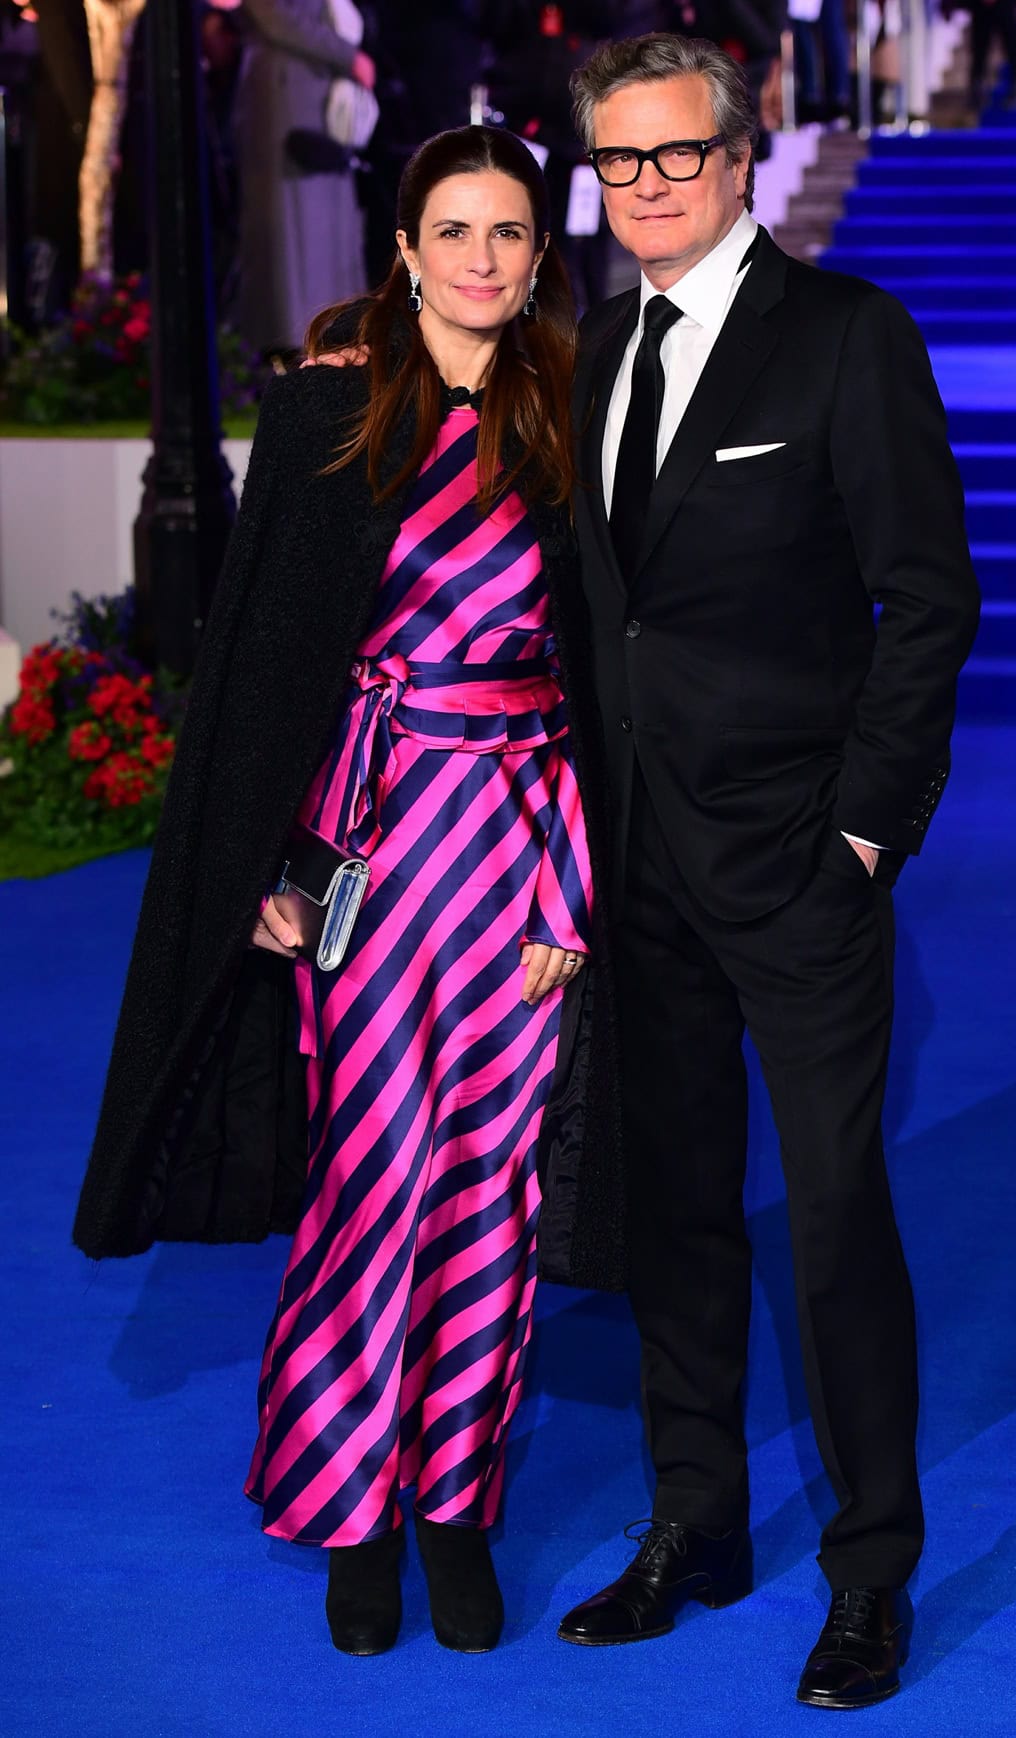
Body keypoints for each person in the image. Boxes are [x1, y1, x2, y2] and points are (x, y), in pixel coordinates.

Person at [72, 123, 627, 1659]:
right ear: (402, 245)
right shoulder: (324, 410)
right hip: (367, 862)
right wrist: (269, 869)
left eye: (509, 233)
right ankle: (349, 1505)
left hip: (518, 858)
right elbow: (264, 671)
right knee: (372, 1184)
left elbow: (600, 686)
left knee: (492, 1197)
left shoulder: (571, 410)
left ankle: (455, 1500)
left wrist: (574, 895)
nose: (480, 258)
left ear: (538, 253)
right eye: (453, 229)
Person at [555, 33, 980, 1710]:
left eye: (677, 155)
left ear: (742, 156)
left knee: (831, 1220)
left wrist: (867, 829)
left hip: (803, 863)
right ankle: (695, 1522)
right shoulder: (591, 346)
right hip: (636, 865)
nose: (649, 186)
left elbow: (928, 594)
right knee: (674, 1216)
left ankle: (871, 1568)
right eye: (620, 162)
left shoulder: (847, 336)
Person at [234, 0, 376, 354]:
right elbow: (274, 14)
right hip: (286, 90)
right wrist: (347, 55)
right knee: (293, 222)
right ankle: (290, 340)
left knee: (322, 218)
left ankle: (332, 333)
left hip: (316, 89)